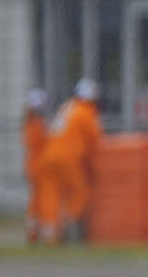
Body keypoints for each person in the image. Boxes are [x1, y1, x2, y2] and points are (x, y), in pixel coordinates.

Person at [44, 79, 102, 242]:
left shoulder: (66, 107)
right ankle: (69, 229)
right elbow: (94, 141)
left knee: (52, 195)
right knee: (79, 193)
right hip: (68, 158)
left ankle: (49, 235)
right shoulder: (86, 112)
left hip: (49, 155)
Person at [21, 89, 58, 243]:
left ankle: (33, 231)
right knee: (47, 198)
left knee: (35, 201)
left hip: (32, 166)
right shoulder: (38, 125)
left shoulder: (29, 123)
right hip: (42, 167)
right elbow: (47, 142)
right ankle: (49, 234)